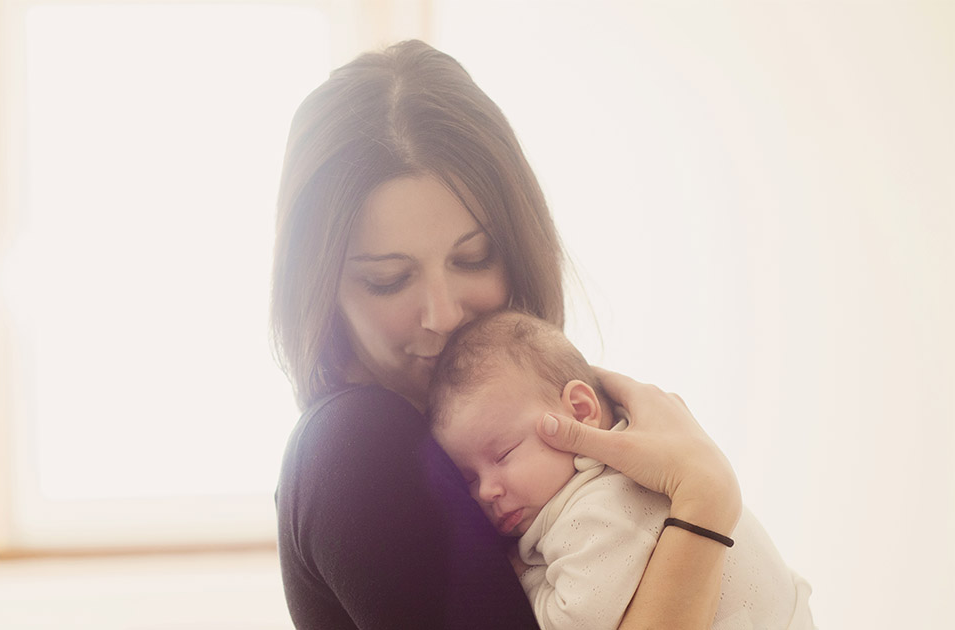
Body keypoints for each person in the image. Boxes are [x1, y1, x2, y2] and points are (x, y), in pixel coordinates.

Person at [272, 39, 745, 629]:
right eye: (389, 279)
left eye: (472, 258)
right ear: (321, 291)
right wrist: (704, 503)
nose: (443, 315)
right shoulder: (357, 445)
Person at [428, 310, 815, 630]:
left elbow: (578, 622)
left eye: (504, 454)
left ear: (580, 411)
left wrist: (523, 576)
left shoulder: (598, 505)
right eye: (469, 479)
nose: (485, 492)